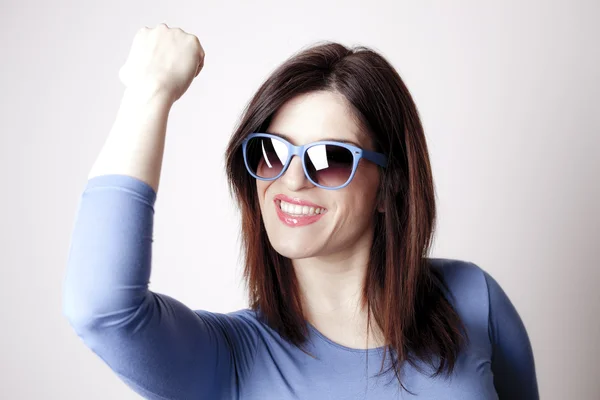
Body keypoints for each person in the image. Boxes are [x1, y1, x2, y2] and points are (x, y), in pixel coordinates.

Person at [62, 23, 539, 399]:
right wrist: (151, 91)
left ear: (388, 186)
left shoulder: (473, 298)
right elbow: (101, 310)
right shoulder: (229, 359)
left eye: (330, 159)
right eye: (271, 152)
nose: (291, 180)